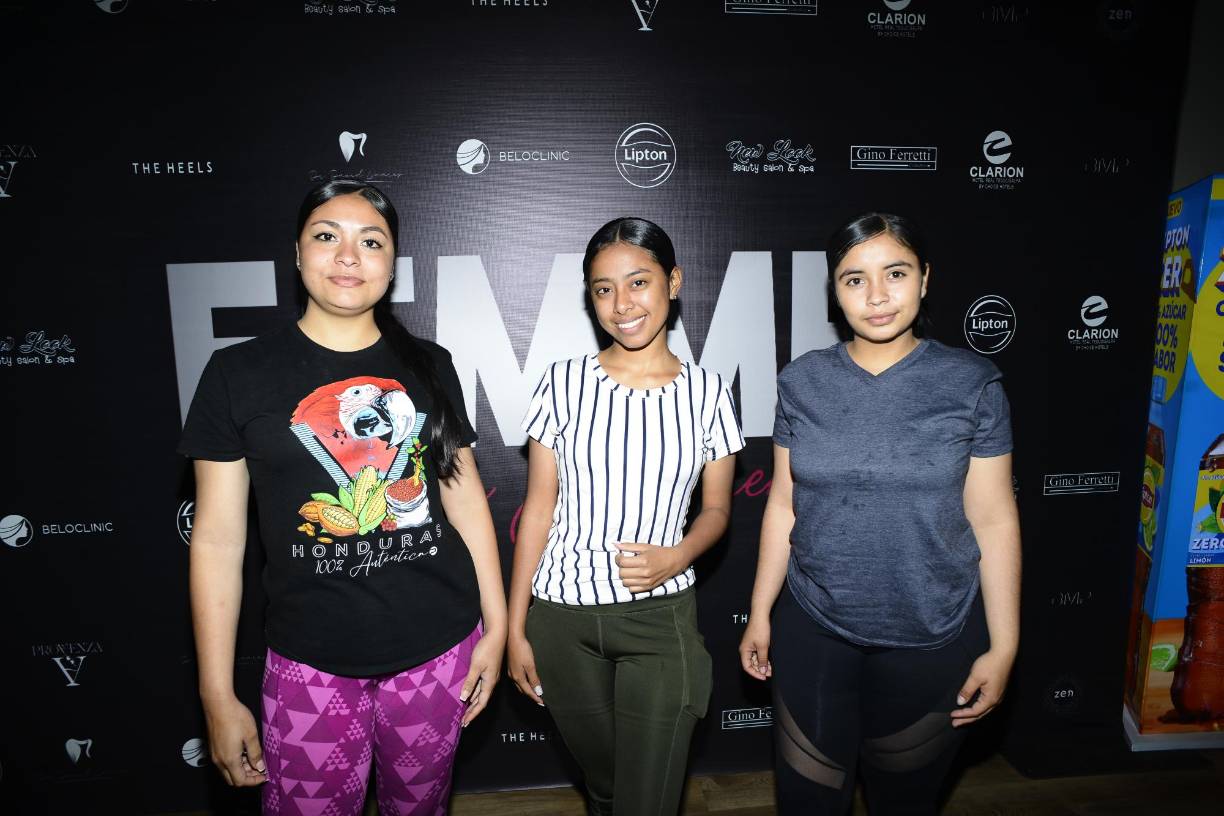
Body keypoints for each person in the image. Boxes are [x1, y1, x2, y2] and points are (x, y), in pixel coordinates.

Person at [180, 180, 506, 816]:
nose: (349, 256)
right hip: (309, 663)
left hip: (440, 652)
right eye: (327, 236)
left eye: (371, 242)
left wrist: (493, 627)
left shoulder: (431, 365)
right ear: (298, 253)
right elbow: (217, 541)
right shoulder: (237, 374)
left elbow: (466, 502)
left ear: (392, 263)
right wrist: (215, 694)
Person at [738, 212, 1021, 815]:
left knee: (903, 804)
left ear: (924, 278)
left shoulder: (972, 384)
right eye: (854, 279)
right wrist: (761, 611)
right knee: (808, 804)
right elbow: (784, 503)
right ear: (835, 292)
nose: (876, 296)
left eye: (895, 273)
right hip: (813, 625)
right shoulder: (802, 381)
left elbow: (995, 520)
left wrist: (1005, 646)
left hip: (933, 632)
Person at [506, 217, 744, 815]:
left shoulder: (710, 393)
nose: (622, 304)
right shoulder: (561, 383)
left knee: (647, 800)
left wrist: (679, 555)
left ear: (674, 282)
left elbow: (718, 509)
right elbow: (538, 509)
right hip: (560, 619)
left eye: (639, 282)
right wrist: (516, 627)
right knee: (607, 788)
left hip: (658, 618)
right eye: (603, 289)